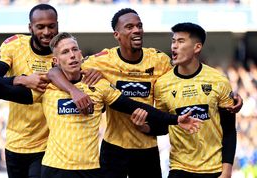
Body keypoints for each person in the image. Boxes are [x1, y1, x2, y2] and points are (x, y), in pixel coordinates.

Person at [0, 32, 202, 178]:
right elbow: (3, 90)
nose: (72, 55)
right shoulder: (47, 88)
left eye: (75, 49)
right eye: (65, 52)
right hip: (54, 169)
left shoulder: (99, 86)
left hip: (92, 170)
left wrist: (174, 119)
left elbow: (132, 106)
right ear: (56, 60)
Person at [47, 8, 243, 178]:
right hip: (114, 148)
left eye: (139, 25)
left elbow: (189, 76)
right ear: (117, 34)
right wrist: (73, 90)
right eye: (130, 27)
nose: (137, 30)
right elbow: (55, 70)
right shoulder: (100, 61)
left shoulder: (160, 61)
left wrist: (229, 95)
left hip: (147, 147)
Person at [132, 22, 237, 178]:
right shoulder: (162, 84)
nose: (174, 46)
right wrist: (143, 128)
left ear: (197, 47)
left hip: (214, 170)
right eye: (173, 41)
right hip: (179, 169)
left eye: (181, 41)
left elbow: (229, 130)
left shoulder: (219, 80)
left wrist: (227, 171)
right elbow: (163, 125)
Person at [0, 4, 58, 178]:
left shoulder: (62, 52)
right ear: (30, 27)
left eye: (51, 26)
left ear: (57, 25)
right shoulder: (14, 45)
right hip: (15, 143)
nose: (46, 32)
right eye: (40, 27)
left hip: (48, 146)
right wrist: (22, 79)